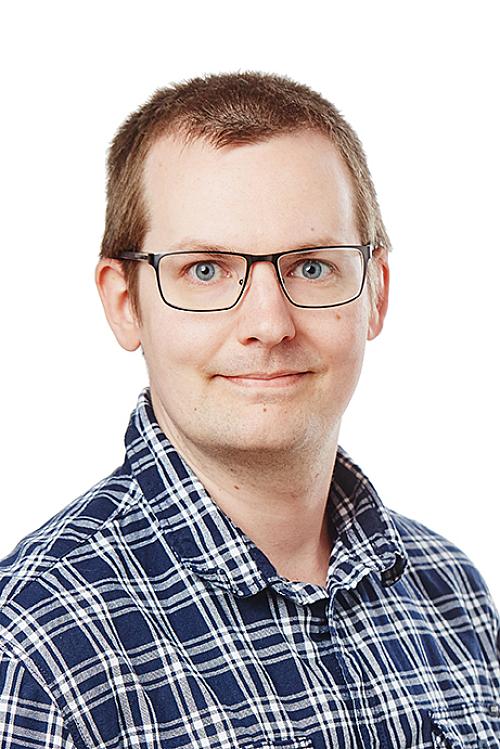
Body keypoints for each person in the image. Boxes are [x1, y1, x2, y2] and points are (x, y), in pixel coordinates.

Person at [0, 71, 498, 749]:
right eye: (205, 270)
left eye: (312, 267)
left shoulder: (455, 595)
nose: (269, 324)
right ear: (124, 303)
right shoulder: (37, 647)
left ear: (376, 292)